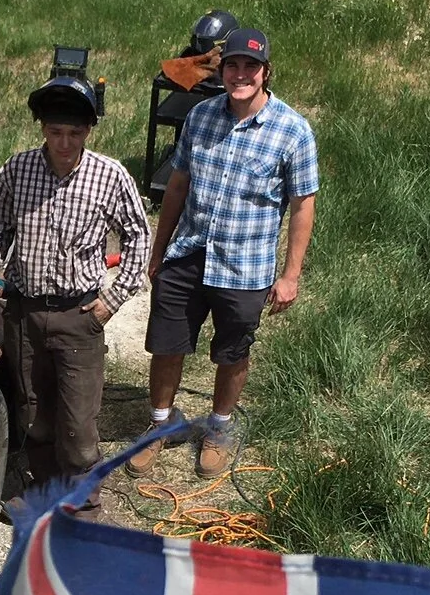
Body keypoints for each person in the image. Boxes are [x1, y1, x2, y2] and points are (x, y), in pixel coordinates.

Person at [131, 27, 318, 479]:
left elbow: (302, 204)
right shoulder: (200, 117)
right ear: (223, 69)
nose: (240, 74)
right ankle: (161, 423)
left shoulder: (292, 131)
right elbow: (177, 185)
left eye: (250, 67)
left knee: (232, 351)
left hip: (245, 265)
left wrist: (290, 274)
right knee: (166, 343)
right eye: (232, 65)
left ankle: (219, 427)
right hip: (188, 252)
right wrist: (160, 250)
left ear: (265, 72)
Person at [0, 75, 151, 509]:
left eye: (74, 133)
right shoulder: (17, 170)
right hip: (23, 311)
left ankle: (82, 502)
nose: (65, 143)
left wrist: (109, 302)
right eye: (55, 132)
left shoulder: (109, 176)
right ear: (42, 129)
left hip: (80, 316)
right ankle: (43, 488)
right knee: (33, 409)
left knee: (77, 420)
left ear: (88, 130)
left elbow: (139, 239)